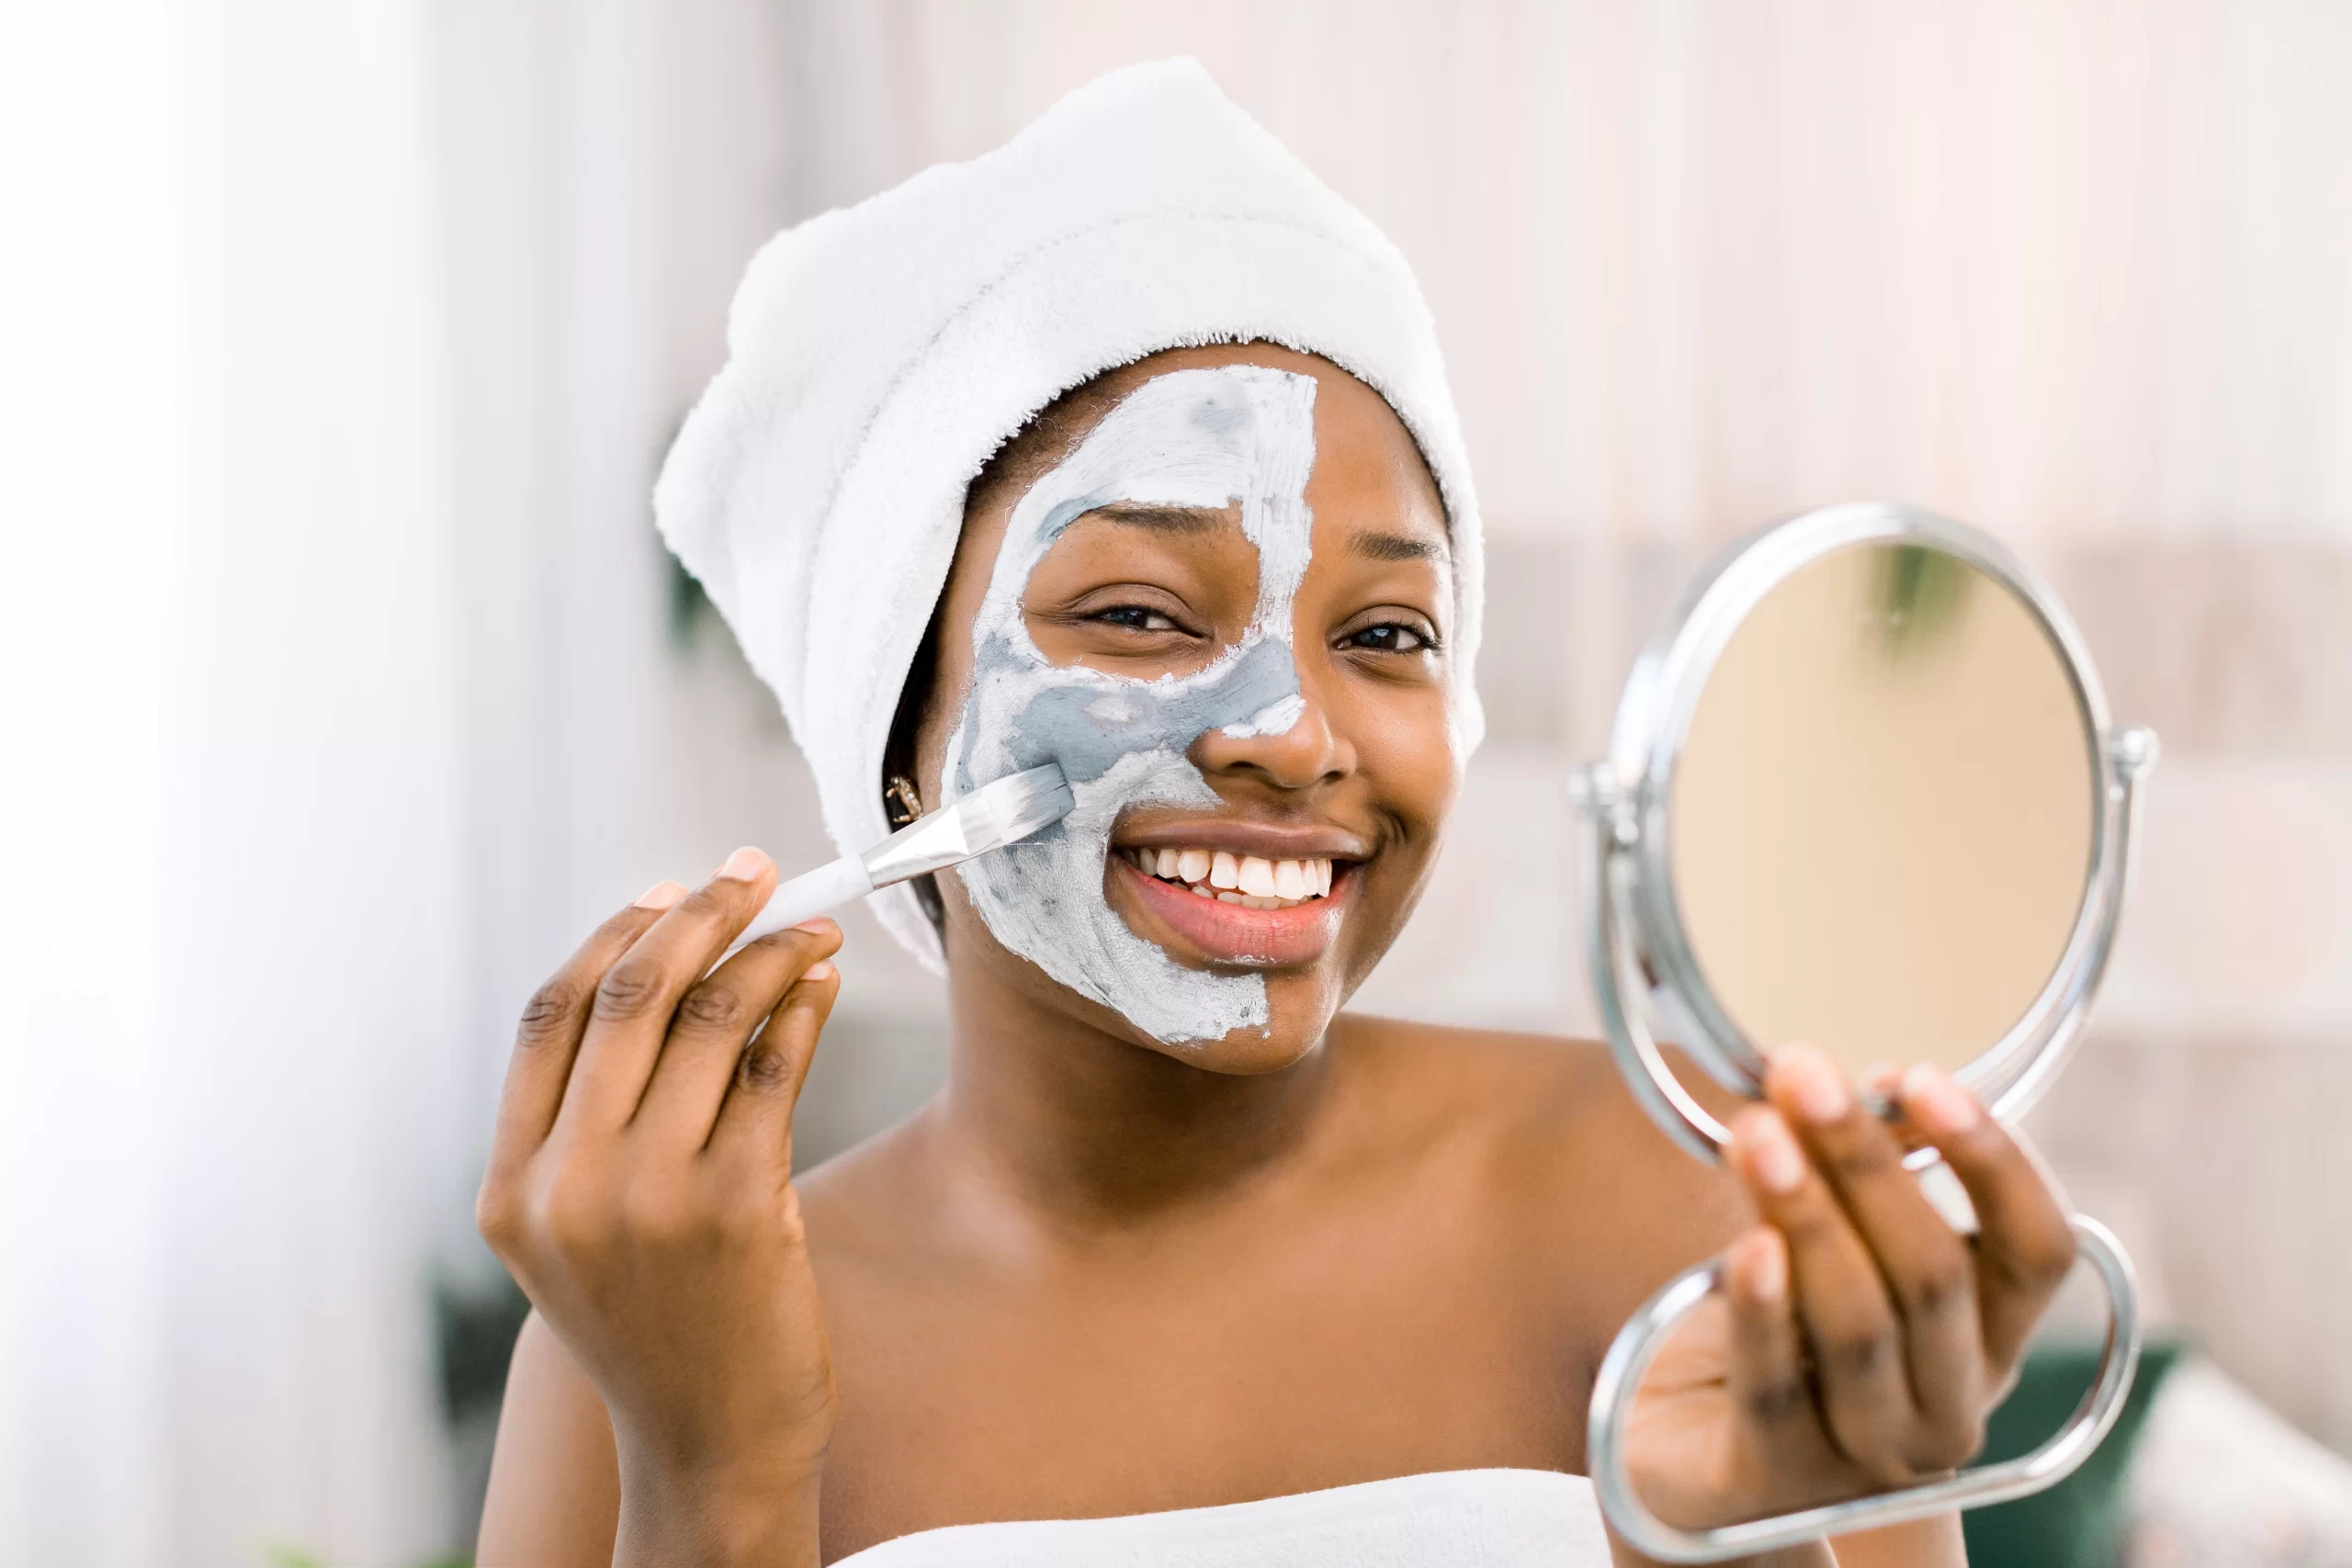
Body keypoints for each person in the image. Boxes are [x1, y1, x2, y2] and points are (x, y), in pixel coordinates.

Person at [471, 63, 2077, 1568]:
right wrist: (716, 1478)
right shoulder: (644, 1332)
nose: (1293, 733)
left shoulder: (1701, 1203)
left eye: (1385, 637)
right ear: (897, 740)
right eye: (1144, 614)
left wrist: (1773, 1529)